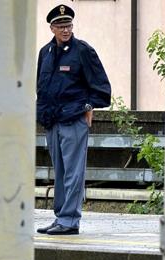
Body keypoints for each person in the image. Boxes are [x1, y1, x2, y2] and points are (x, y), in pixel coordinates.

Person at [35, 4, 111, 235]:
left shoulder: (83, 51)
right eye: (60, 26)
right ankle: (61, 217)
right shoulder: (45, 53)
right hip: (52, 121)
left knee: (73, 172)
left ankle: (70, 220)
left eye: (68, 25)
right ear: (52, 28)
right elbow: (41, 87)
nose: (65, 29)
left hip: (73, 120)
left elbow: (102, 90)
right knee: (59, 172)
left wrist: (87, 107)